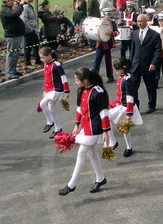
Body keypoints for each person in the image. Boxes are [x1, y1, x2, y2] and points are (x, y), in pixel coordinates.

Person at [58, 67, 110, 196]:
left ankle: (71, 184)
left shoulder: (98, 92)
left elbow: (104, 113)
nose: (75, 82)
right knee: (91, 152)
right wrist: (76, 124)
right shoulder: (82, 90)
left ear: (85, 81)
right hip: (86, 126)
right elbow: (80, 109)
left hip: (96, 127)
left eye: (77, 80)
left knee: (82, 152)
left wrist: (106, 131)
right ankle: (100, 178)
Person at [108, 57, 142, 157]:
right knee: (124, 128)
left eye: (117, 68)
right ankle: (129, 147)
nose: (115, 70)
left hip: (125, 107)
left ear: (123, 68)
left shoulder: (127, 79)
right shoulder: (122, 76)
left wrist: (129, 113)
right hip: (121, 105)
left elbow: (130, 97)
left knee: (105, 117)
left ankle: (113, 142)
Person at [129, 14, 161, 114]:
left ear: (146, 21)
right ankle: (136, 107)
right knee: (133, 88)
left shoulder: (154, 35)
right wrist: (130, 63)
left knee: (150, 87)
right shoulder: (134, 33)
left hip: (148, 66)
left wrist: (154, 63)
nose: (139, 23)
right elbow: (132, 49)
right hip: (136, 65)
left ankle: (152, 105)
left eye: (141, 21)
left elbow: (157, 50)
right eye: (138, 21)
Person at [38, 46, 70, 139]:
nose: (41, 59)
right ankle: (58, 128)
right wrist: (44, 90)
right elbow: (46, 79)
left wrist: (66, 91)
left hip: (56, 91)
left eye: (43, 57)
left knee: (42, 104)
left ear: (49, 56)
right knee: (51, 109)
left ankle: (50, 122)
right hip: (49, 91)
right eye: (41, 57)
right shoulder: (46, 64)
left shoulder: (56, 65)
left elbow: (63, 78)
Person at [0, 0, 25, 79]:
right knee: (12, 54)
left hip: (16, 34)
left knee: (15, 54)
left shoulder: (8, 9)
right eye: (12, 1)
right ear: (7, 1)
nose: (13, 2)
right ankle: (10, 72)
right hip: (12, 35)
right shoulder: (5, 10)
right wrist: (21, 5)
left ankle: (13, 70)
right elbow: (15, 14)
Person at [93, 8, 117, 83]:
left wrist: (112, 33)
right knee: (97, 61)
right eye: (105, 14)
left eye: (108, 14)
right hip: (99, 44)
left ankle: (110, 76)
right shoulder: (99, 22)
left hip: (107, 45)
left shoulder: (112, 23)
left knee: (108, 62)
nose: (106, 16)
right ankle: (94, 77)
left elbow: (117, 32)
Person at [21, 0, 42, 69]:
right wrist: (30, 29)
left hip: (34, 30)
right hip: (29, 31)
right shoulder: (25, 7)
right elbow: (25, 20)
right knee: (28, 47)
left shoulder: (29, 6)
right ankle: (27, 63)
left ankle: (37, 59)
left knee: (36, 45)